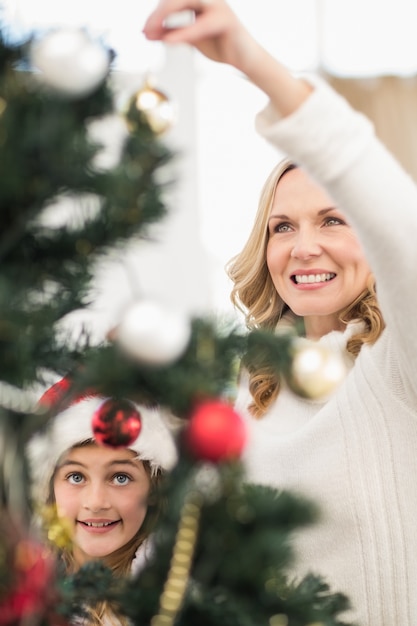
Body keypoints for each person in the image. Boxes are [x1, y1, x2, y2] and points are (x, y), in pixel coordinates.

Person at [144, 2, 417, 625]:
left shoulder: (400, 366)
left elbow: (404, 223)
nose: (303, 248)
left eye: (333, 221)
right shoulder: (236, 384)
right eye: (282, 226)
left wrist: (252, 62)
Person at [27, 377, 178, 625]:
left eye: (120, 478)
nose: (96, 502)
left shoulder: (174, 601)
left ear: (154, 489)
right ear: (48, 488)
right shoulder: (19, 593)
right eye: (76, 477)